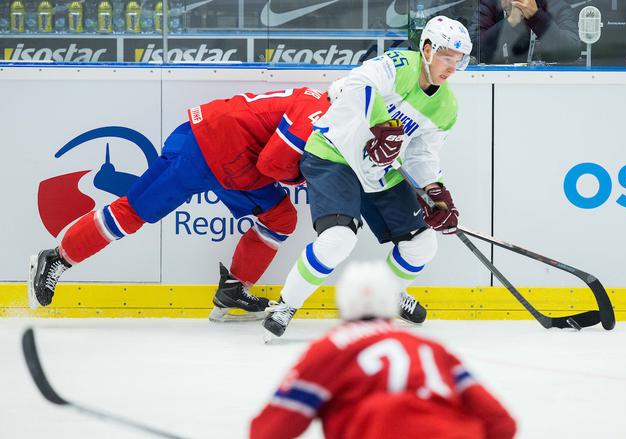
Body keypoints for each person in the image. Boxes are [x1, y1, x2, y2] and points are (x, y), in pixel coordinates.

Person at [28, 86, 331, 322]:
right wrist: (305, 178)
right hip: (205, 147)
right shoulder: (320, 111)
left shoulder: (324, 102)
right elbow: (273, 163)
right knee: (132, 212)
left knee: (279, 217)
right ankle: (58, 258)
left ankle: (233, 290)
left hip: (236, 160)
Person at [262, 16, 470, 338]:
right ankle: (285, 304)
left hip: (378, 170)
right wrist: (382, 125)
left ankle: (384, 298)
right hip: (335, 154)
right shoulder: (399, 64)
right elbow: (358, 82)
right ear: (427, 49)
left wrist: (434, 191)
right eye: (446, 57)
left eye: (458, 60)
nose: (451, 67)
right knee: (338, 239)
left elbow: (421, 155)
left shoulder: (446, 107)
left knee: (422, 243)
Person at [250, 261, 517, 439]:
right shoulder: (431, 348)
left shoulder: (331, 348)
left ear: (343, 302)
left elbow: (269, 430)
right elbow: (503, 424)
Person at [471, 0, 580, 64]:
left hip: (546, 83)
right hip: (499, 82)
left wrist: (535, 15)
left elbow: (572, 51)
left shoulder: (554, 4)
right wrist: (509, 22)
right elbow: (473, 51)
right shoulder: (490, 4)